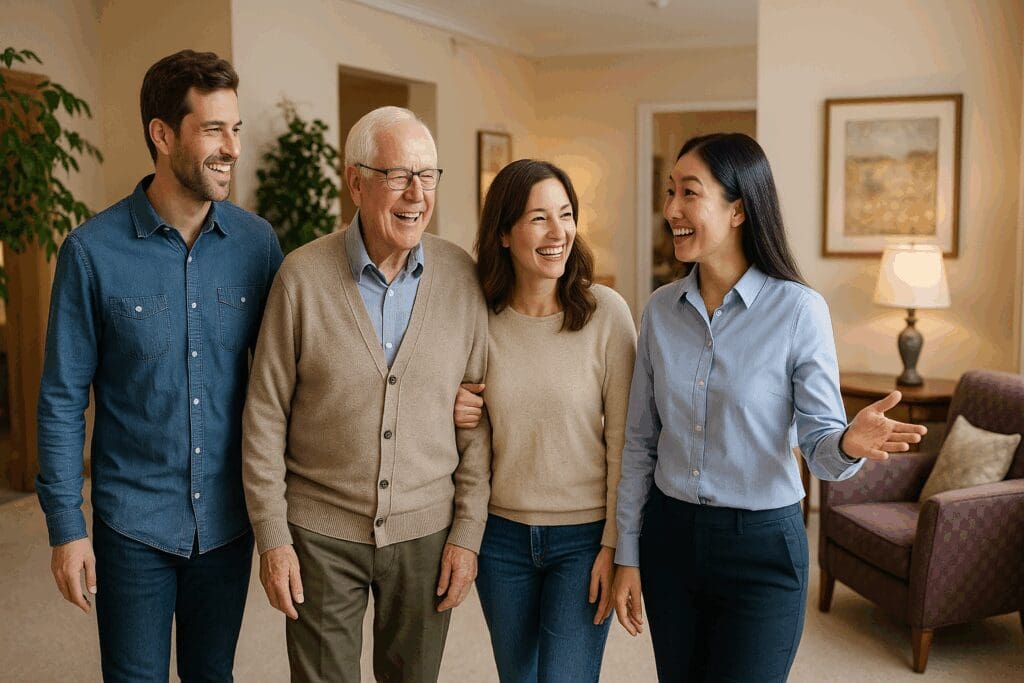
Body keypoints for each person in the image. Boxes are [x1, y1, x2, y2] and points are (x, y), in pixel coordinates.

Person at [610, 133, 927, 682]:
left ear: (738, 208)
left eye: (690, 193)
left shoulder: (799, 310)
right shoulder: (660, 311)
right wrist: (628, 552)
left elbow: (821, 444)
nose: (671, 211)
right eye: (670, 192)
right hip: (671, 539)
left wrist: (847, 442)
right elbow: (641, 441)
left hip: (761, 550)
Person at [36, 50, 283, 681]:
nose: (231, 148)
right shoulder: (91, 252)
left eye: (236, 130)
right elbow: (63, 398)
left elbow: (291, 380)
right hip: (132, 523)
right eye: (213, 130)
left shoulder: (258, 246)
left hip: (228, 525)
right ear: (162, 134)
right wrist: (67, 528)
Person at [241, 106, 491, 682]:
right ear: (355, 181)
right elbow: (264, 418)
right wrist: (273, 538)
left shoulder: (461, 277)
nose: (416, 193)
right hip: (319, 535)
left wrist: (467, 535)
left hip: (427, 533)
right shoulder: (301, 278)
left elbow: (477, 423)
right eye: (397, 174)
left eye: (428, 175)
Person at [453, 159, 637, 682]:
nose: (558, 233)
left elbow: (628, 440)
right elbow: (468, 432)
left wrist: (615, 545)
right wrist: (455, 407)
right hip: (501, 540)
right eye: (538, 219)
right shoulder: (479, 319)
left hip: (583, 540)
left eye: (565, 214)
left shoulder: (606, 313)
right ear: (505, 234)